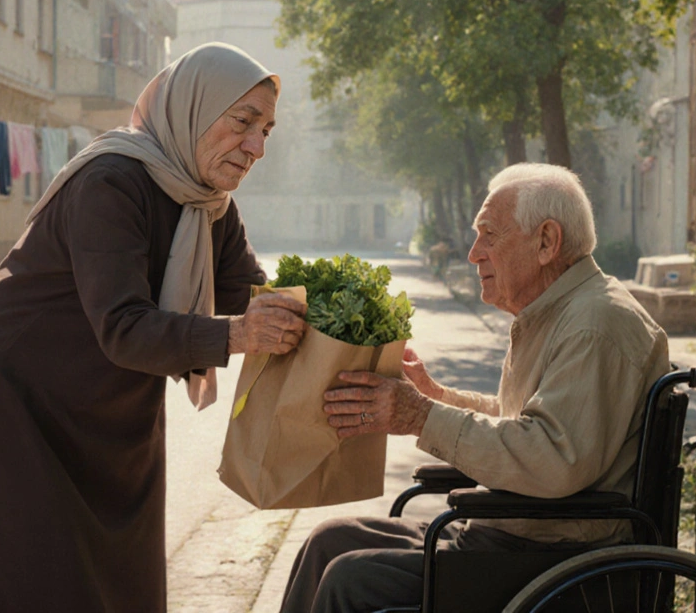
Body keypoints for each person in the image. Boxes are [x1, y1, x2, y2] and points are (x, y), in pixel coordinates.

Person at [0, 43, 308, 613]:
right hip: (15, 401)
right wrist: (238, 334)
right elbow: (124, 327)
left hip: (108, 413)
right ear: (193, 108)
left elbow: (256, 298)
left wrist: (341, 331)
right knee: (24, 583)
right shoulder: (112, 180)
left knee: (118, 584)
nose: (257, 147)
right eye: (243, 123)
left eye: (267, 130)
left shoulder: (210, 204)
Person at [279, 163, 670, 613]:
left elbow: (552, 457)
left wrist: (419, 416)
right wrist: (434, 398)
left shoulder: (595, 324)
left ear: (546, 241)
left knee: (350, 579)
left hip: (551, 559)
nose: (473, 253)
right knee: (329, 540)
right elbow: (523, 419)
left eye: (489, 235)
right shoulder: (564, 311)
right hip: (514, 535)